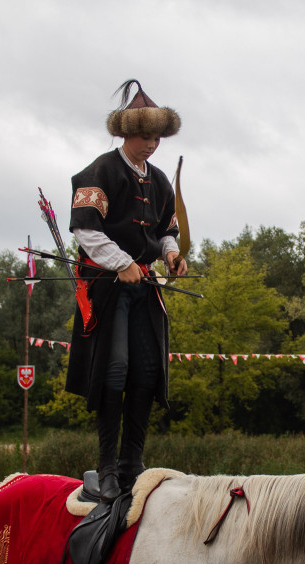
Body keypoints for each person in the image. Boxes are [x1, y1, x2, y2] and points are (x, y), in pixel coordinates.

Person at [64, 79, 188, 503]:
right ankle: (108, 468)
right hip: (108, 288)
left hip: (145, 287)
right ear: (125, 133)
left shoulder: (158, 181)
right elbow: (85, 229)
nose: (152, 144)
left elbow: (166, 229)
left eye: (157, 137)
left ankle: (135, 466)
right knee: (114, 373)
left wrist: (171, 256)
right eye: (145, 136)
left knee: (147, 374)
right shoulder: (99, 171)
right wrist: (122, 263)